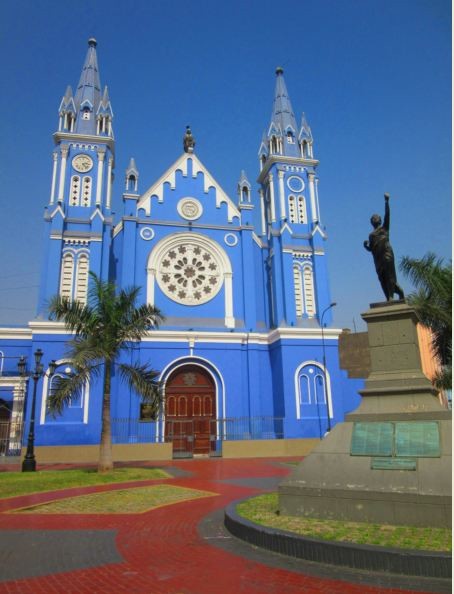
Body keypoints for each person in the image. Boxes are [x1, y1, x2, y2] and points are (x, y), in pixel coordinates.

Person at [363, 193, 405, 301]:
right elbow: (371, 249)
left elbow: (387, 215)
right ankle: (391, 296)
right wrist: (366, 246)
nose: (374, 219)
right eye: (373, 218)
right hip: (378, 259)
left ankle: (392, 296)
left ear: (380, 220)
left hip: (387, 255)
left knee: (389, 275)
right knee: (382, 278)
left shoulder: (384, 229)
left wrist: (386, 202)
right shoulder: (371, 235)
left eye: (376, 218)